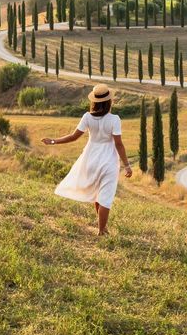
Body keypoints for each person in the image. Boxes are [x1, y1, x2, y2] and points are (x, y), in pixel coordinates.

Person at [42, 83, 132, 235]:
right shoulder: (114, 119)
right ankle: (101, 231)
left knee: (98, 195)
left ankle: (103, 228)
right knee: (106, 197)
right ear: (109, 102)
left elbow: (73, 137)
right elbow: (119, 144)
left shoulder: (87, 117)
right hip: (108, 160)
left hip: (90, 159)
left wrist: (53, 141)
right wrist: (127, 165)